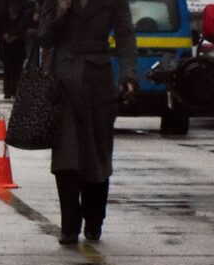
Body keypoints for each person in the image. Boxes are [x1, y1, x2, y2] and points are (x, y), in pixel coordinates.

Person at [37, 0, 137, 245]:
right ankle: (69, 226)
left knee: (96, 154)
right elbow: (44, 38)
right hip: (62, 84)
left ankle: (94, 220)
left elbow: (125, 34)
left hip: (98, 83)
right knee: (66, 157)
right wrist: (60, 11)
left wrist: (128, 75)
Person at [0, 0, 28, 99]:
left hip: (18, 49)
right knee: (8, 70)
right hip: (6, 49)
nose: (13, 7)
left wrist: (16, 37)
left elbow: (26, 32)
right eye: (12, 5)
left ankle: (16, 91)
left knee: (18, 71)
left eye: (16, 5)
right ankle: (8, 91)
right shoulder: (3, 18)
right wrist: (4, 36)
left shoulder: (22, 19)